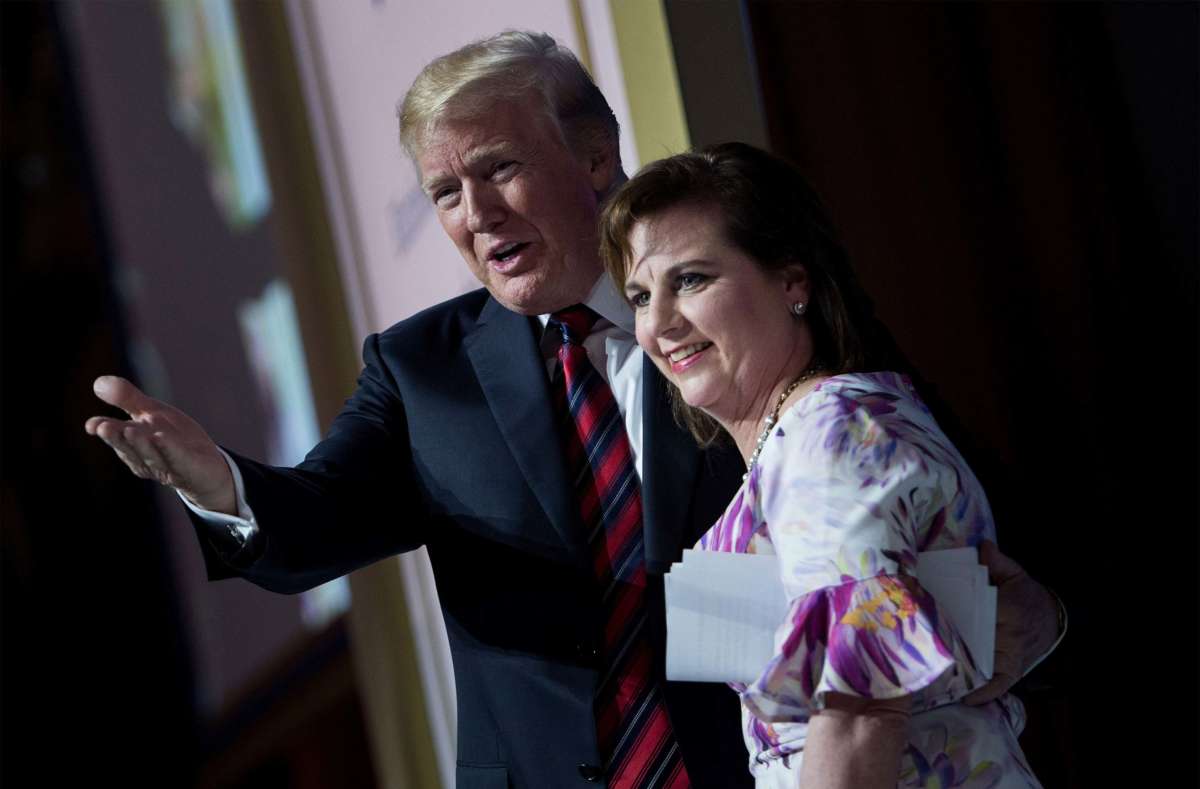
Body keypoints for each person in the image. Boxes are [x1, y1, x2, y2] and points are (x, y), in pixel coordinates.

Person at [85, 32, 1058, 789]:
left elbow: (958, 549)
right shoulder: (422, 369)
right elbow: (314, 523)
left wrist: (1001, 623)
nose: (474, 214)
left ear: (596, 161)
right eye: (445, 193)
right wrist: (220, 485)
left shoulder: (767, 352)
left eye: (498, 170)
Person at [599, 142, 1046, 788]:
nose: (659, 323)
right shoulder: (793, 444)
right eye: (640, 296)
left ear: (792, 280)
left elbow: (858, 714)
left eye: (691, 279)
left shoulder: (829, 436)